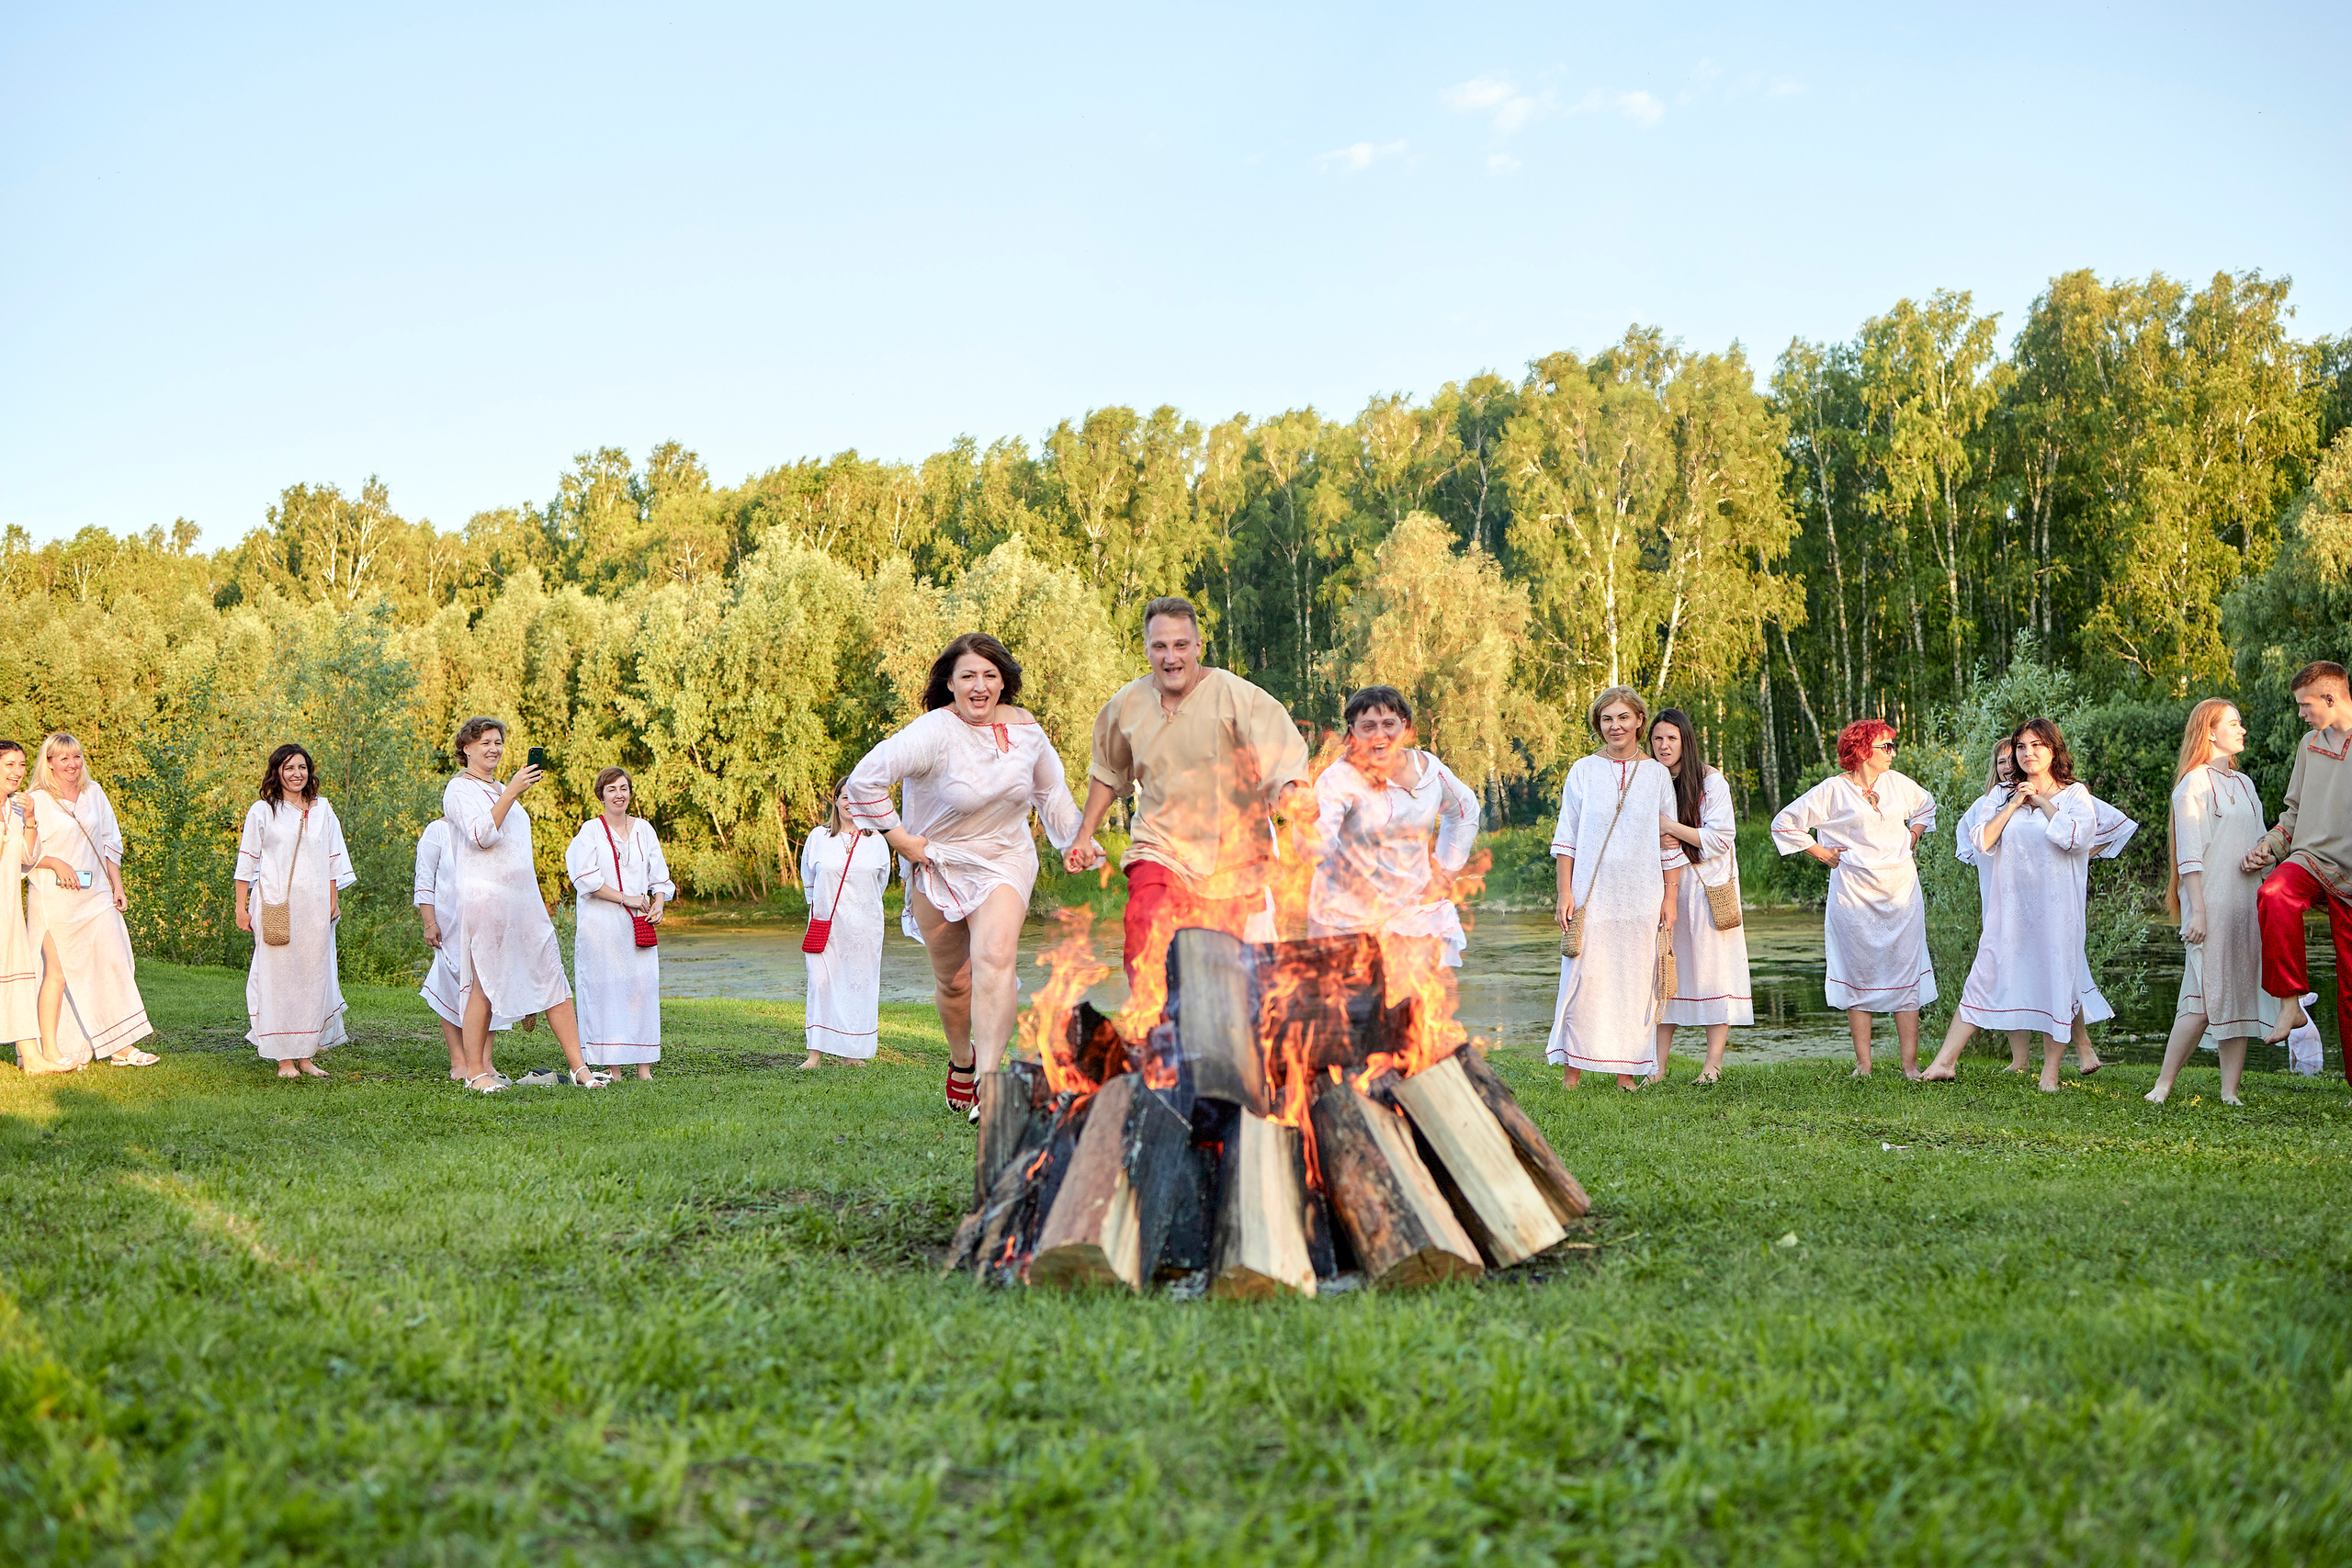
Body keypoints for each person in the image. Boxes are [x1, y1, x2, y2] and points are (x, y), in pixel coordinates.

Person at [845, 632, 1098, 1116]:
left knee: (995, 958)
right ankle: (963, 1059)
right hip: (936, 861)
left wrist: (1077, 841)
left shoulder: (1027, 731)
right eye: (968, 676)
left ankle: (989, 1082)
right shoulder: (933, 732)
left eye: (989, 675)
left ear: (1003, 683)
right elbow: (864, 780)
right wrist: (901, 840)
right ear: (951, 683)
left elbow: (1051, 795)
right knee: (955, 982)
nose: (979, 686)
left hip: (1004, 858)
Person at [1064, 596, 1309, 990]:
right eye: (1160, 646)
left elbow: (1280, 755)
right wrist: (1083, 836)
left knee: (1222, 974)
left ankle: (1213, 1023)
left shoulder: (1236, 695)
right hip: (1161, 849)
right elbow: (1108, 773)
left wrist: (1292, 794)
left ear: (1198, 646)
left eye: (1180, 645)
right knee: (1145, 933)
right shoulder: (1127, 704)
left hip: (1230, 858)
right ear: (1147, 650)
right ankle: (1157, 1023)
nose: (1170, 657)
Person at [1924, 718, 2105, 1090]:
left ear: (2053, 750)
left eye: (2037, 745)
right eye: (2022, 746)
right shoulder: (2001, 794)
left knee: (2056, 981)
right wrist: (2015, 804)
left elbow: (2077, 838)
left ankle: (2050, 1073)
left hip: (2057, 911)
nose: (2027, 753)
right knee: (1984, 976)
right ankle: (1944, 1062)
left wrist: (2042, 802)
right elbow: (1981, 841)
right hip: (2009, 911)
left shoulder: (2074, 795)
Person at [442, 717, 603, 1092]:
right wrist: (512, 791)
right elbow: (481, 835)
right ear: (466, 748)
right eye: (485, 742)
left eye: (498, 742)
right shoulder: (458, 789)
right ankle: (475, 1073)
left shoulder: (501, 788)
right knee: (484, 983)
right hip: (486, 901)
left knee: (553, 977)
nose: (494, 748)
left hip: (523, 902)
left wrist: (508, 790)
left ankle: (580, 1069)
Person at [1770, 719, 1936, 1077]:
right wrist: (1822, 853)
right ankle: (1864, 1064)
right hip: (1854, 894)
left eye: (1892, 746)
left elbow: (1927, 806)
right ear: (1862, 751)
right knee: (1858, 973)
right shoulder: (1833, 790)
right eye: (1885, 746)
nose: (1892, 753)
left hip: (1902, 893)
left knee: (1906, 970)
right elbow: (1784, 823)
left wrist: (1912, 837)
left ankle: (1910, 1065)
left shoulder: (1898, 783)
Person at [1546, 686, 1686, 1091]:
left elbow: (1668, 843)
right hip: (1592, 895)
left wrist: (1671, 898)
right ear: (1599, 724)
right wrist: (1564, 892)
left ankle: (1626, 1073)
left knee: (1634, 982)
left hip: (1642, 896)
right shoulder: (1583, 771)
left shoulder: (1657, 775)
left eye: (1623, 717)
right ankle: (1573, 1072)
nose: (1615, 726)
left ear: (1640, 720)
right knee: (1583, 980)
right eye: (1607, 719)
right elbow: (1567, 838)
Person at [2147, 700, 2280, 1105]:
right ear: (2209, 732)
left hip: (2245, 903)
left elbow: (2260, 838)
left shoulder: (2245, 785)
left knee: (2236, 992)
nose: (2242, 730)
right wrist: (2198, 913)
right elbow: (2189, 856)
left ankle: (2229, 1092)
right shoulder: (2193, 784)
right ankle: (2162, 1086)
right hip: (2209, 904)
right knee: (2204, 998)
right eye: (2233, 723)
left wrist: (2263, 855)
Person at [1302, 685, 1479, 964]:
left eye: (1388, 724)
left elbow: (1466, 811)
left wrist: (1444, 876)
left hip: (1411, 916)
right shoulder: (1338, 780)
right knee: (1354, 994)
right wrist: (1306, 824)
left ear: (1405, 726)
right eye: (1368, 726)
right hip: (1345, 921)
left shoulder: (1429, 770)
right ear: (1353, 731)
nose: (1379, 735)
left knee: (1417, 992)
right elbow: (1317, 846)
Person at [2244, 660, 2352, 1082]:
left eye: (2306, 705)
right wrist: (2269, 846)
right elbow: (2293, 812)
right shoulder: (2309, 745)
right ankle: (2290, 1003)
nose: (2302, 713)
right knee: (2274, 894)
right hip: (2309, 859)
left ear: (2330, 697)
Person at [24, 733, 155, 1070]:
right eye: (64, 758)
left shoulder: (94, 792)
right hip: (55, 899)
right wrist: (55, 863)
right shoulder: (35, 800)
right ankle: (51, 1051)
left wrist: (117, 886)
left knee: (115, 961)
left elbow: (110, 841)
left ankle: (121, 1046)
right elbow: (23, 853)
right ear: (49, 763)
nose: (72, 764)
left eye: (76, 757)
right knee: (58, 974)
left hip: (96, 894)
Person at [232, 744, 356, 1078]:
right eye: (288, 768)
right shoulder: (263, 811)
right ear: (277, 772)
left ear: (309, 772)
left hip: (314, 906)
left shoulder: (323, 810)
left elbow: (333, 857)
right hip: (276, 905)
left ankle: (305, 1055)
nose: (296, 774)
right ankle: (283, 1058)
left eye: (302, 767)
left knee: (311, 977)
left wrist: (333, 899)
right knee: (279, 979)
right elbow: (247, 861)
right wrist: (241, 907)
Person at [1651, 708, 1751, 1085]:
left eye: (1671, 738)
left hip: (1706, 888)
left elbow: (1720, 838)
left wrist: (1672, 828)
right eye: (1657, 738)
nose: (1664, 746)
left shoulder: (1710, 781)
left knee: (1714, 971)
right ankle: (1656, 1067)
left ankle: (1712, 1066)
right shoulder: (1650, 779)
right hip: (1663, 888)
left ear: (1685, 741)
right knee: (1664, 972)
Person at [563, 767, 673, 1080]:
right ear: (601, 795)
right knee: (607, 992)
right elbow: (586, 880)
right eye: (611, 789)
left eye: (623, 788)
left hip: (637, 925)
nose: (619, 794)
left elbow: (660, 877)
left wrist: (658, 903)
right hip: (601, 926)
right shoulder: (590, 831)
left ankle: (644, 1068)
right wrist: (629, 899)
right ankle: (614, 1068)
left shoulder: (644, 829)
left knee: (641, 990)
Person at [413, 817, 515, 1081]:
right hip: (449, 925)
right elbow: (424, 879)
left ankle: (484, 1061)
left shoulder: (492, 831)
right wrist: (429, 922)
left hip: (490, 921)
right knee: (450, 985)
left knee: (488, 986)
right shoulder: (437, 830)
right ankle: (458, 1061)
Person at [798, 777, 889, 1070]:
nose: (852, 802)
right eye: (846, 796)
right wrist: (820, 909)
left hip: (864, 929)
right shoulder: (818, 837)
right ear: (836, 800)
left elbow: (880, 883)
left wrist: (861, 911)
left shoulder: (877, 841)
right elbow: (808, 879)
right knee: (820, 984)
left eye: (858, 797)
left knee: (859, 987)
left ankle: (853, 1054)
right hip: (825, 925)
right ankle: (814, 1055)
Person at [0, 740, 40, 1061]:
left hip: (9, 907)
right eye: (10, 764)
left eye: (22, 765)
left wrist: (29, 817)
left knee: (16, 973)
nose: (17, 772)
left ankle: (32, 1058)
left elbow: (29, 857)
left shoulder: (14, 809)